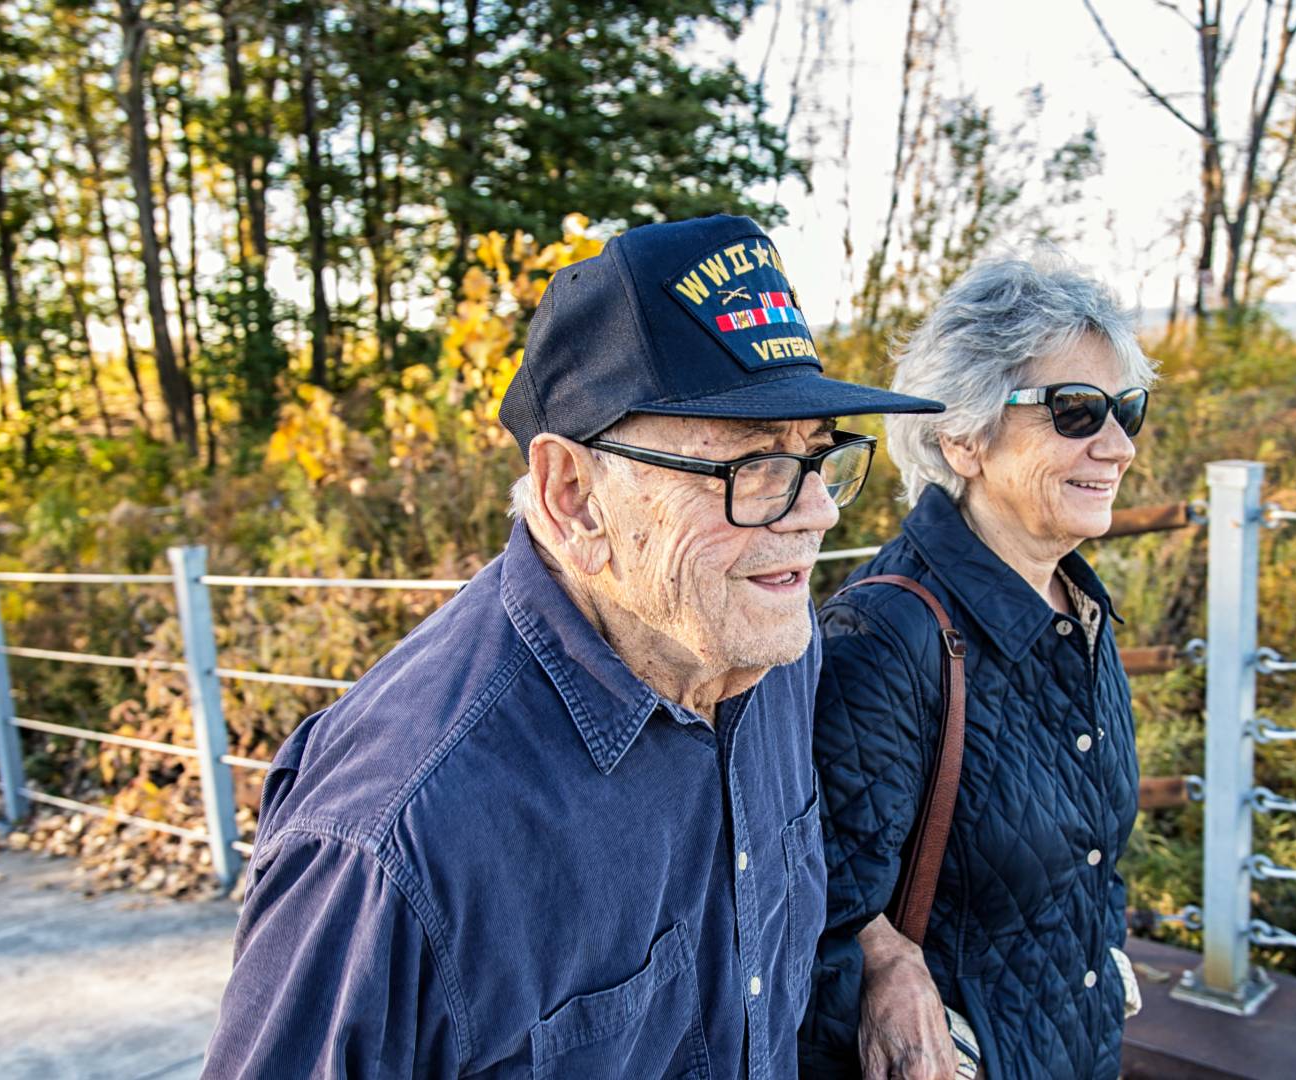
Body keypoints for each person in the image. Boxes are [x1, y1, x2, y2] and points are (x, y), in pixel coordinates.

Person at [201, 214, 942, 1078]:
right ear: (574, 495)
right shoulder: (393, 836)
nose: (816, 511)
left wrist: (882, 951)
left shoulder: (772, 649)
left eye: (818, 459)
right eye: (753, 467)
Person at [799, 255, 1153, 1080]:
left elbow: (1088, 866)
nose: (1119, 445)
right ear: (962, 437)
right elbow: (812, 900)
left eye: (1127, 408)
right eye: (1074, 411)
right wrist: (881, 954)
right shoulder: (887, 637)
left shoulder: (1077, 607)